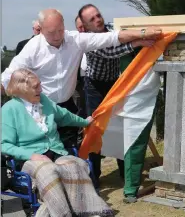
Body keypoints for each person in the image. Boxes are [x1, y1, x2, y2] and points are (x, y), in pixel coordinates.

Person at [1, 8, 162, 152]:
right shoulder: (32, 48)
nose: (57, 36)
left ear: (64, 24)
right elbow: (8, 76)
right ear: (41, 30)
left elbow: (111, 38)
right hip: (41, 109)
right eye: (51, 32)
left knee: (68, 151)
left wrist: (142, 34)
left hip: (67, 107)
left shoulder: (75, 40)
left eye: (60, 30)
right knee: (45, 151)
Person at [1, 69, 114, 217]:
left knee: (75, 164)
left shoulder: (44, 101)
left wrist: (85, 122)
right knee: (49, 172)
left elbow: (65, 116)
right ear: (22, 89)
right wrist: (32, 155)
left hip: (57, 151)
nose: (40, 89)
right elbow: (4, 145)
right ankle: (62, 213)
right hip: (29, 159)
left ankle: (89, 211)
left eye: (40, 85)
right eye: (36, 87)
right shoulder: (9, 110)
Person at [78, 4, 156, 188]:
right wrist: (138, 41)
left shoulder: (115, 30)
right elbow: (111, 52)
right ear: (86, 26)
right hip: (94, 88)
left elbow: (123, 37)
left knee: (121, 127)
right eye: (92, 19)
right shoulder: (88, 40)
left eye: (98, 15)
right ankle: (94, 176)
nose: (97, 19)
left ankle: (124, 171)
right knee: (94, 129)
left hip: (114, 83)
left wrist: (140, 34)